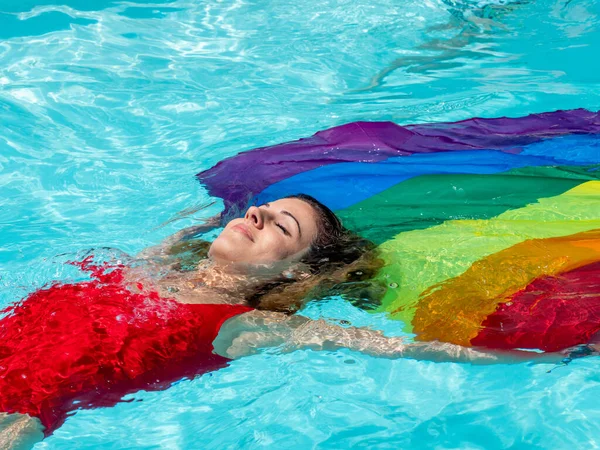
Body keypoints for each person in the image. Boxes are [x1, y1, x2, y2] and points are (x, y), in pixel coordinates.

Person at [0, 194, 591, 449]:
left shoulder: (247, 327)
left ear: (291, 276)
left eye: (280, 228)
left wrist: (551, 355)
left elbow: (399, 348)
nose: (255, 213)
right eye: (265, 207)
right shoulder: (150, 264)